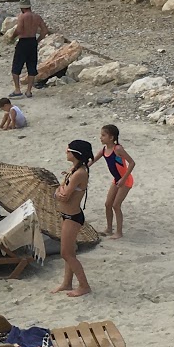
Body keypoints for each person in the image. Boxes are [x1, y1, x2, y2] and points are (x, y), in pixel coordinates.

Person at [52, 140, 92, 298]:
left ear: (75, 153)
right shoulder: (73, 170)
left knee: (66, 253)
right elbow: (60, 190)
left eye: (68, 150)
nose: (66, 152)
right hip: (66, 215)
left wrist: (60, 191)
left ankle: (84, 285)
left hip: (73, 217)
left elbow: (64, 196)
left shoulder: (80, 173)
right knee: (69, 251)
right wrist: (60, 190)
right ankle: (67, 282)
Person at [98, 123, 136, 238]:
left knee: (116, 205)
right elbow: (91, 161)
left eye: (103, 135)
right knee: (107, 204)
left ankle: (119, 232)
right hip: (116, 180)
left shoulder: (118, 149)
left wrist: (123, 179)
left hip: (126, 180)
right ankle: (109, 229)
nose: (101, 137)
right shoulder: (104, 150)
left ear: (111, 137)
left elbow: (132, 163)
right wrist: (76, 168)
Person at [9, 2, 49, 98]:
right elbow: (45, 30)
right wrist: (38, 40)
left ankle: (17, 90)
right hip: (32, 41)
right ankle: (29, 91)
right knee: (31, 66)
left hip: (23, 41)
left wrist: (12, 37)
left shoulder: (22, 17)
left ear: (22, 8)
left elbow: (19, 29)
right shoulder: (37, 17)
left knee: (16, 66)